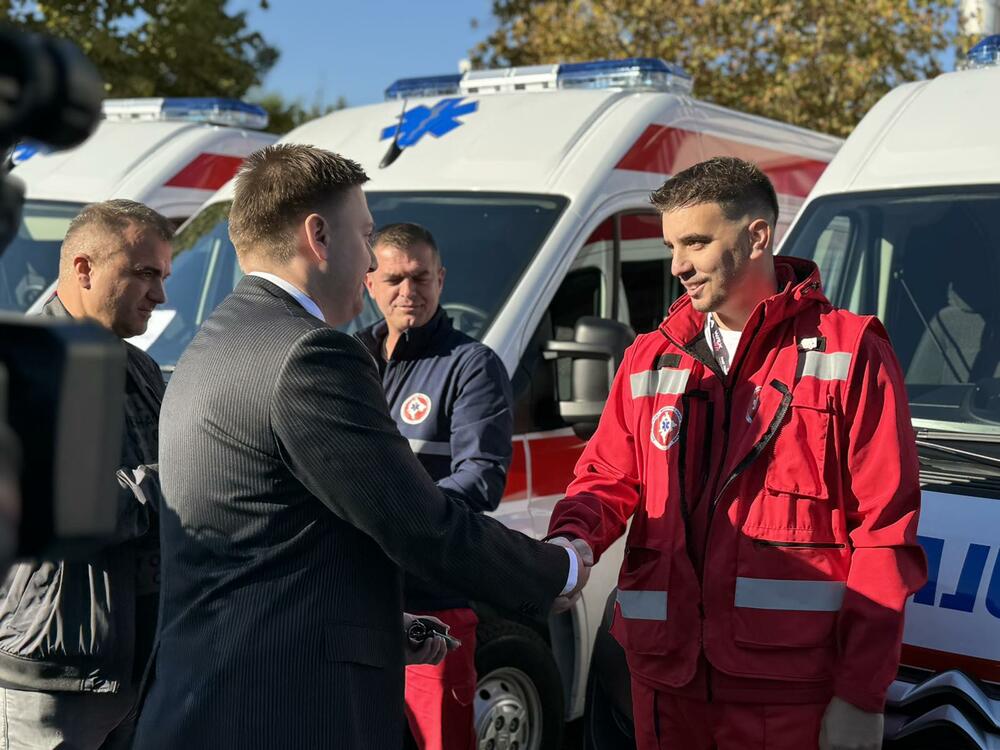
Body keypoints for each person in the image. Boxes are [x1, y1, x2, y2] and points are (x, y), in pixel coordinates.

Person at [132, 144, 590, 750]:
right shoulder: (311, 354)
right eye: (366, 236)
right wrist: (559, 568)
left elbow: (274, 537)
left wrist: (377, 624)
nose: (371, 262)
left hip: (216, 695)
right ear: (319, 236)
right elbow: (416, 522)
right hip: (286, 709)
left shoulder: (211, 342)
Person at [546, 157, 927, 750]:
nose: (677, 266)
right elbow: (606, 478)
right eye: (672, 245)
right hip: (662, 681)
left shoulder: (851, 354)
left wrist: (859, 695)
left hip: (787, 693)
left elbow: (884, 533)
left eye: (695, 242)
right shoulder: (649, 357)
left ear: (757, 236)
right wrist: (572, 540)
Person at [0, 199, 173, 749]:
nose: (160, 294)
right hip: (51, 682)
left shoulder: (140, 366)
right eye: (146, 273)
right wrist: (177, 478)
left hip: (137, 670)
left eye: (164, 276)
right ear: (83, 268)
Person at [357, 223, 511, 750]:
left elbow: (482, 477)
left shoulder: (471, 365)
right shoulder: (346, 360)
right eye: (394, 278)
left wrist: (395, 520)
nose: (409, 292)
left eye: (421, 277)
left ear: (441, 279)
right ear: (368, 282)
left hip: (432, 606)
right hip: (354, 603)